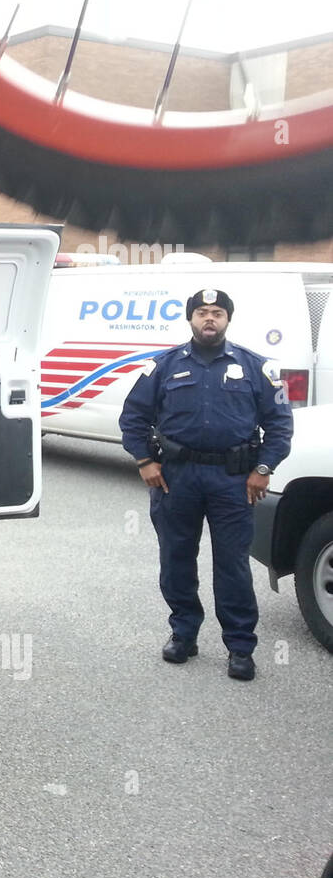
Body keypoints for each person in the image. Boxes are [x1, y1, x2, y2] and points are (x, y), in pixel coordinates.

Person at [118, 288, 293, 680]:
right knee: (176, 558)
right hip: (176, 478)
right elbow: (133, 418)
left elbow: (280, 424)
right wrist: (145, 461)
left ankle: (240, 646)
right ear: (190, 319)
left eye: (216, 312)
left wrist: (263, 468)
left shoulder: (256, 368)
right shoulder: (161, 367)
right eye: (201, 312)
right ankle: (183, 634)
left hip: (234, 479)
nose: (209, 318)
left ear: (228, 319)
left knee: (232, 564)